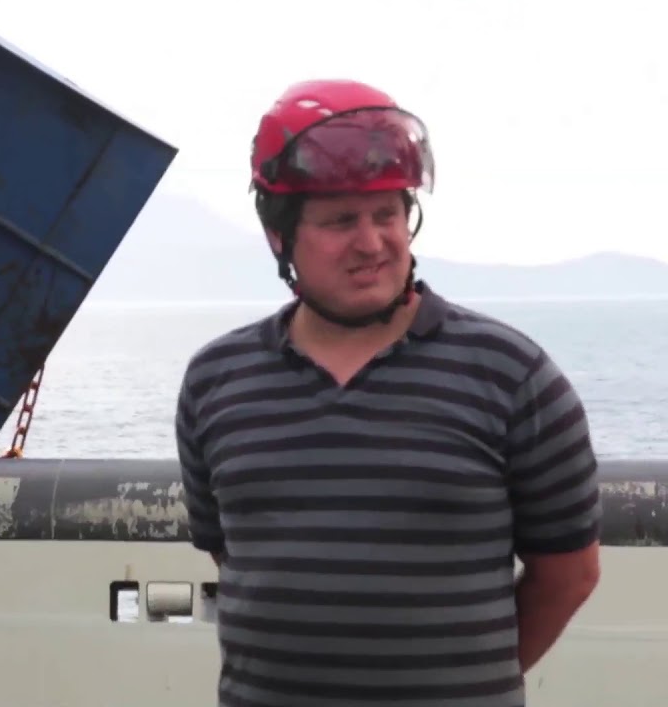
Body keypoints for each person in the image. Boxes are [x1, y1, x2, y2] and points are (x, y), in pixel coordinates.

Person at [174, 78, 602, 707]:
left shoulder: (512, 373)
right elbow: (233, 555)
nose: (372, 243)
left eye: (388, 214)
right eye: (340, 220)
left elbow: (569, 573)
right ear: (278, 235)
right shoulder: (217, 379)